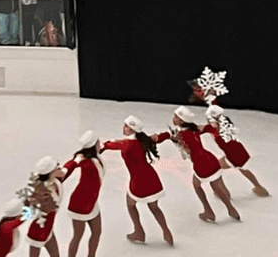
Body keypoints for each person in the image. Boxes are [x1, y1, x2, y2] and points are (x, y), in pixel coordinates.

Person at [102, 115, 173, 245]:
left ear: (132, 130)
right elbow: (159, 137)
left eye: (127, 127)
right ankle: (166, 232)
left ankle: (139, 232)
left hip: (138, 180)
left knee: (130, 204)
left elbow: (109, 145)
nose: (123, 128)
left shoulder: (125, 144)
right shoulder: (144, 139)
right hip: (152, 178)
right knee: (154, 207)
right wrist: (169, 134)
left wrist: (97, 147)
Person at [172, 106, 239, 223]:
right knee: (214, 186)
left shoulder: (181, 134)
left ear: (182, 121)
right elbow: (208, 128)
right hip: (210, 158)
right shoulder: (195, 129)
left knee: (198, 185)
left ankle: (208, 211)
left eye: (176, 117)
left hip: (201, 162)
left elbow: (185, 151)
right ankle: (231, 209)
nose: (174, 119)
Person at [202, 105, 270, 196]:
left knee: (215, 168)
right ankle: (259, 188)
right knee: (243, 169)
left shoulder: (215, 128)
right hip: (240, 151)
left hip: (232, 155)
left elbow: (201, 129)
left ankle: (223, 192)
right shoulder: (225, 122)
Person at [63, 131, 104, 257]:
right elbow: (70, 166)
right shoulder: (85, 161)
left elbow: (104, 147)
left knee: (97, 232)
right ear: (94, 144)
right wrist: (66, 169)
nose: (100, 143)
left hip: (92, 201)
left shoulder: (95, 155)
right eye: (98, 141)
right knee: (78, 236)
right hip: (80, 203)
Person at [23, 156, 65, 257]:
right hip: (39, 229)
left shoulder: (53, 182)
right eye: (57, 167)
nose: (59, 168)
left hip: (48, 227)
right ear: (51, 172)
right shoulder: (42, 190)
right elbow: (27, 205)